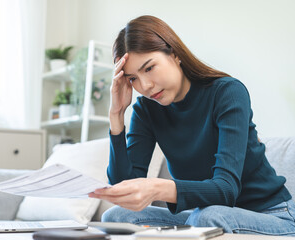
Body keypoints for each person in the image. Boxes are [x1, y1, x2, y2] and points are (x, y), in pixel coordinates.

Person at [88, 15, 295, 235]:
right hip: (207, 215)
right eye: (132, 79)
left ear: (174, 54)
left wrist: (157, 187)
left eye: (149, 68)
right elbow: (124, 189)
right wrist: (117, 114)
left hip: (271, 214)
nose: (146, 86)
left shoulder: (227, 92)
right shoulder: (146, 110)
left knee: (206, 217)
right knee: (116, 217)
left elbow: (226, 190)